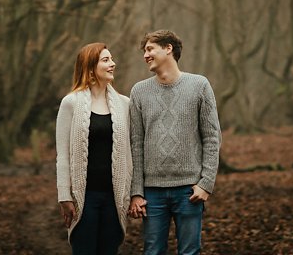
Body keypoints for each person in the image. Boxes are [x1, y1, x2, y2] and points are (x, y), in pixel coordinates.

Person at [128, 30, 221, 255]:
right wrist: (136, 192)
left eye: (150, 49)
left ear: (168, 48)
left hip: (189, 190)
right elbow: (136, 144)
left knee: (190, 251)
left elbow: (212, 137)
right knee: (152, 252)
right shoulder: (139, 91)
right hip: (152, 193)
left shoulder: (200, 85)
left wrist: (206, 183)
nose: (145, 55)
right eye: (144, 51)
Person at [56, 42, 133, 255]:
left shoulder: (125, 104)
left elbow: (131, 152)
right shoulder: (70, 103)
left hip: (115, 197)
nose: (113, 64)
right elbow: (63, 155)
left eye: (112, 59)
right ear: (90, 67)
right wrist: (65, 195)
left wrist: (134, 193)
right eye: (106, 60)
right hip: (84, 197)